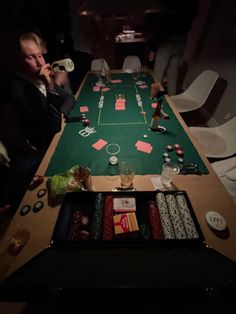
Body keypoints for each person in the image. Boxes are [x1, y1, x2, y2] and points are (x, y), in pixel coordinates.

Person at [1, 30, 75, 212]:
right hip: (36, 155)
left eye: (40, 55)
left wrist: (62, 113)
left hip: (49, 139)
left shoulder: (36, 77)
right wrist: (50, 87)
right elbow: (53, 127)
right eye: (30, 57)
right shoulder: (17, 89)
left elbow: (69, 99)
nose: (40, 62)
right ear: (17, 61)